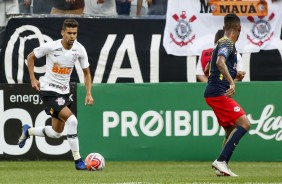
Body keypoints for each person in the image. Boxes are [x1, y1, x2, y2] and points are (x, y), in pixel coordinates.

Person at [18, 19, 94, 170]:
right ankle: (78, 160)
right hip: (48, 90)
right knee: (72, 121)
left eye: (75, 33)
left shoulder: (79, 49)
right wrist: (33, 79)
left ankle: (28, 131)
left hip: (64, 93)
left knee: (56, 133)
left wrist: (89, 93)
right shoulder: (51, 46)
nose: (72, 36)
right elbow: (30, 57)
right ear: (62, 33)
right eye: (69, 33)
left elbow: (86, 73)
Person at [204, 13, 251, 177]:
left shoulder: (220, 43)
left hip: (214, 91)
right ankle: (221, 161)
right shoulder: (227, 42)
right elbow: (219, 62)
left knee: (231, 129)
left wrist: (234, 74)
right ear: (239, 28)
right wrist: (232, 81)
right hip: (218, 92)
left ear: (225, 28)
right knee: (245, 124)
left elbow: (210, 69)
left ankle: (222, 167)